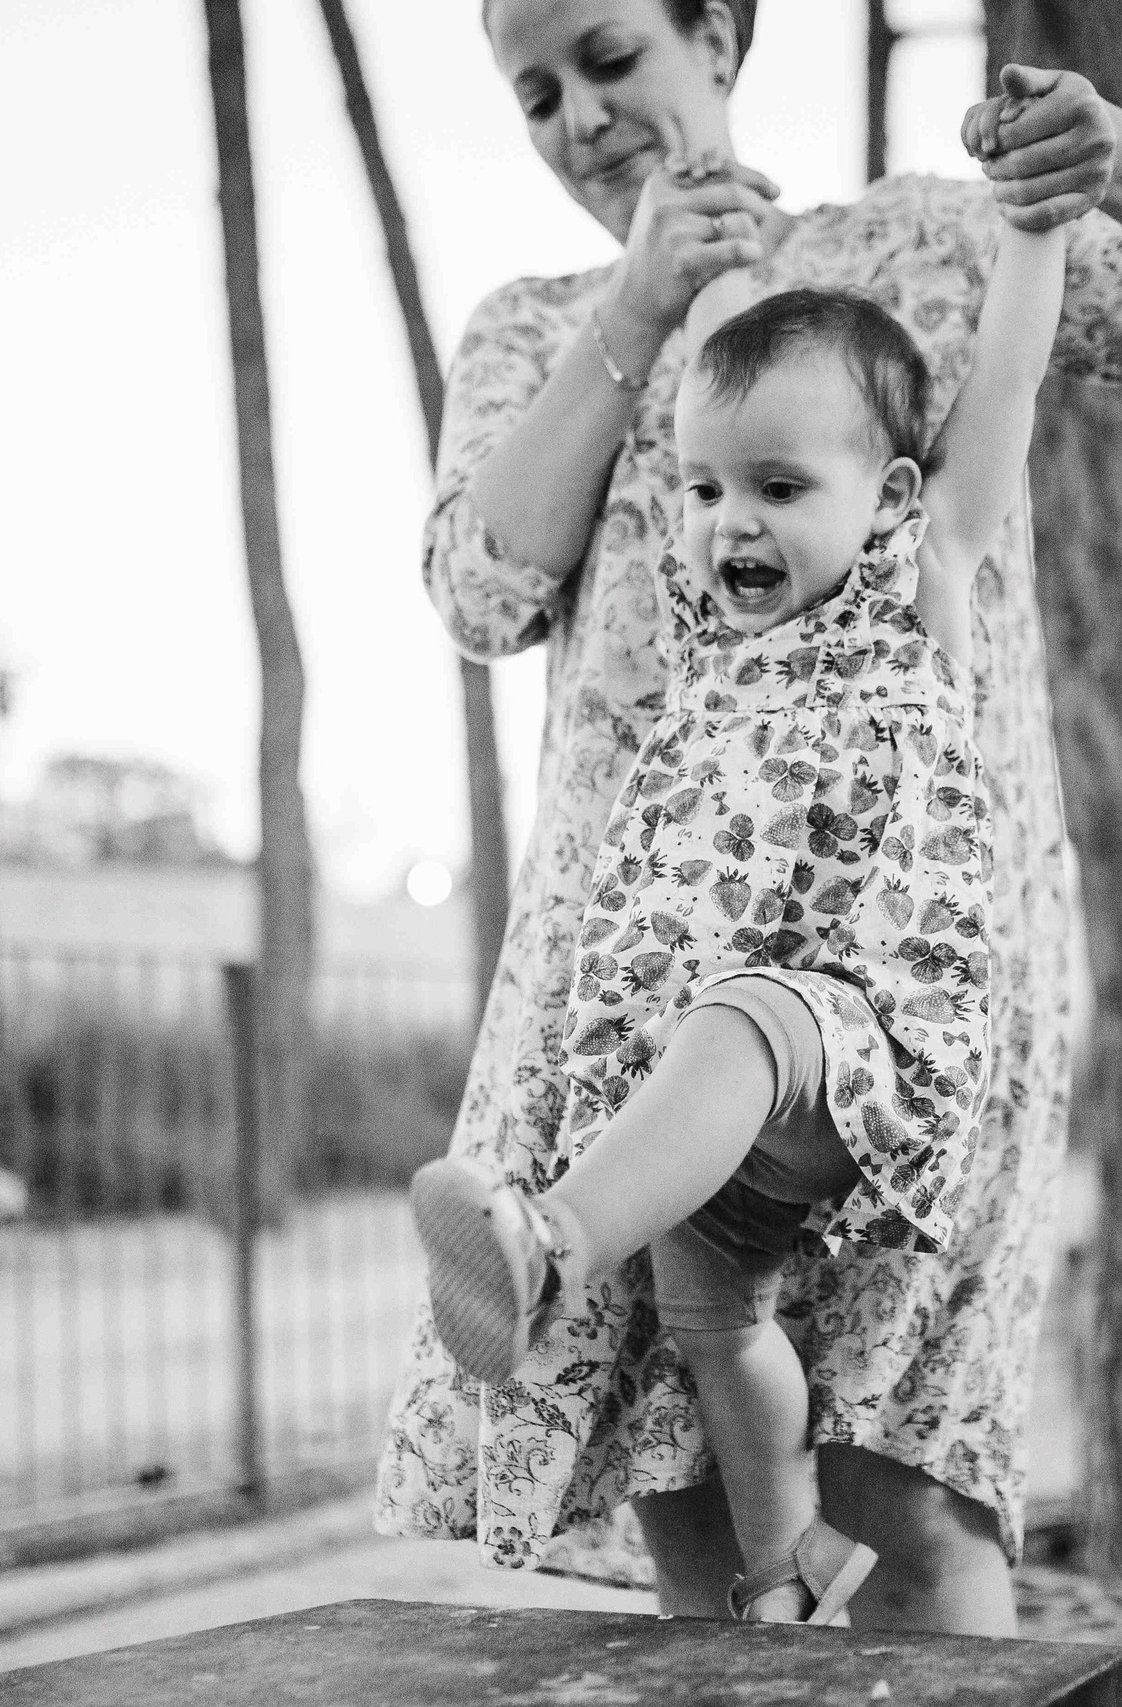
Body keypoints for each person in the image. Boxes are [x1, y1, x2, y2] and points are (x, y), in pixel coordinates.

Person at [377, 0, 1122, 1634]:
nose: (579, 118)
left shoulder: (925, 251)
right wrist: (636, 310)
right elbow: (483, 591)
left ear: (716, 33)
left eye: (609, 58)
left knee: (914, 1491)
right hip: (630, 985)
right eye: (534, 94)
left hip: (908, 969)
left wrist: (1109, 158)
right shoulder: (536, 327)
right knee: (694, 1476)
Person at [410, 127, 1069, 1621]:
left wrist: (1034, 232)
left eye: (778, 485)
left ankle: (552, 1248)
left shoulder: (917, 582)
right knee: (715, 1330)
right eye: (705, 492)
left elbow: (1007, 392)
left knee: (744, 1018)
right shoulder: (714, 639)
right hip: (724, 1098)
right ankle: (786, 1569)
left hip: (863, 1043)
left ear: (888, 495)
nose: (731, 523)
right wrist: (688, 293)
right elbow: (714, 390)